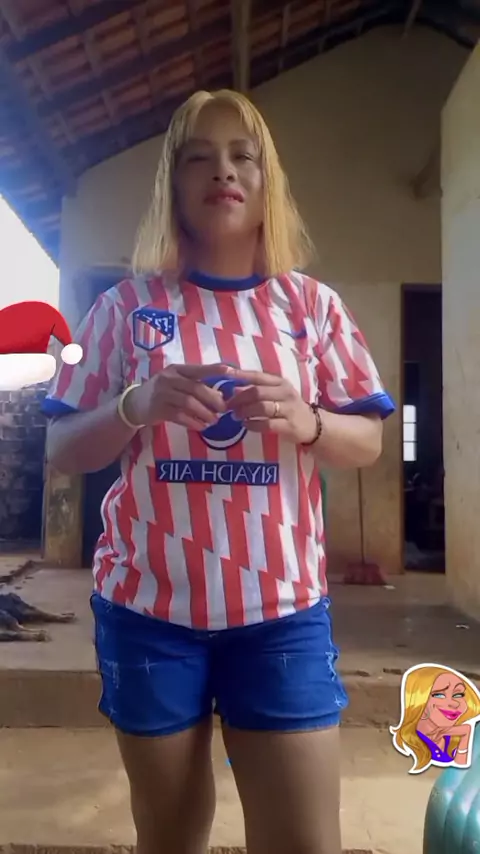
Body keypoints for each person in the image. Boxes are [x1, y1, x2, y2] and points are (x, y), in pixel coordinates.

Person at [44, 89, 395, 854]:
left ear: (269, 182)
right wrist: (136, 404)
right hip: (148, 612)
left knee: (304, 841)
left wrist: (307, 419)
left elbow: (368, 440)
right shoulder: (124, 310)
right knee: (170, 837)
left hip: (280, 614)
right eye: (198, 157)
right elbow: (64, 448)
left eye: (243, 156)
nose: (223, 172)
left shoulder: (312, 308)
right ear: (172, 184)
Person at [390, 663, 480, 774]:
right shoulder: (408, 744)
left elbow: (460, 776)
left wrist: (465, 738)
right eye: (439, 695)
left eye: (458, 695)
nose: (454, 703)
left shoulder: (454, 737)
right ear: (418, 699)